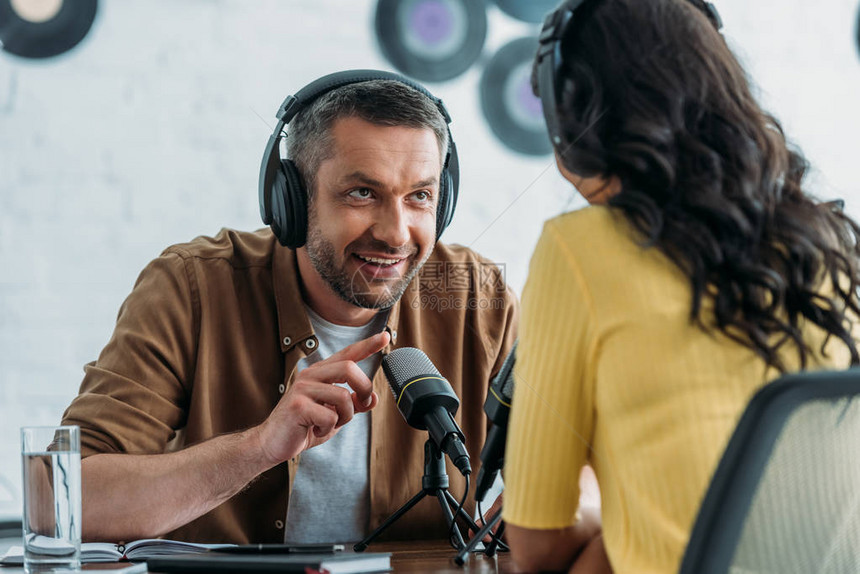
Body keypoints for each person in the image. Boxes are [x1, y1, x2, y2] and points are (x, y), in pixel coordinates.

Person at [61, 71, 518, 544]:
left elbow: (581, 472)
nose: (397, 234)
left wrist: (545, 508)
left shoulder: (479, 297)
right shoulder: (191, 287)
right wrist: (257, 448)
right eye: (362, 193)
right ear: (292, 201)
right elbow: (70, 499)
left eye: (419, 196)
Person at [502, 0, 860, 572]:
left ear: (568, 118)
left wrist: (605, 521)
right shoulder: (829, 244)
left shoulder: (579, 249)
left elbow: (537, 547)